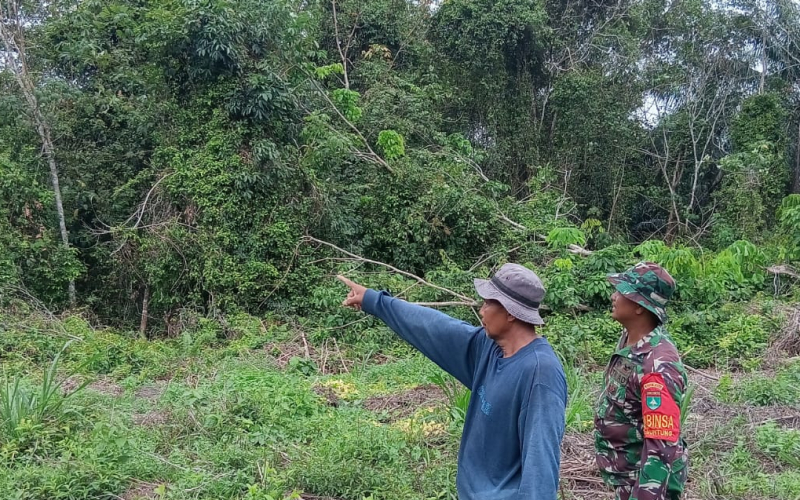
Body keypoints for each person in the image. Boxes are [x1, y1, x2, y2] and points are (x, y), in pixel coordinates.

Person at [337, 263, 567, 500]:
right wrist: (374, 301)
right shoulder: (488, 348)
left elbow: (541, 466)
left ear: (510, 313)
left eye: (488, 303)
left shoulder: (540, 374)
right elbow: (435, 327)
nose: (482, 311)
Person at [594, 262, 689, 500]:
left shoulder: (657, 366)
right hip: (628, 478)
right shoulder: (631, 340)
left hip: (647, 483)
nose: (613, 296)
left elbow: (660, 447)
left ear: (640, 307)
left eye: (621, 291)